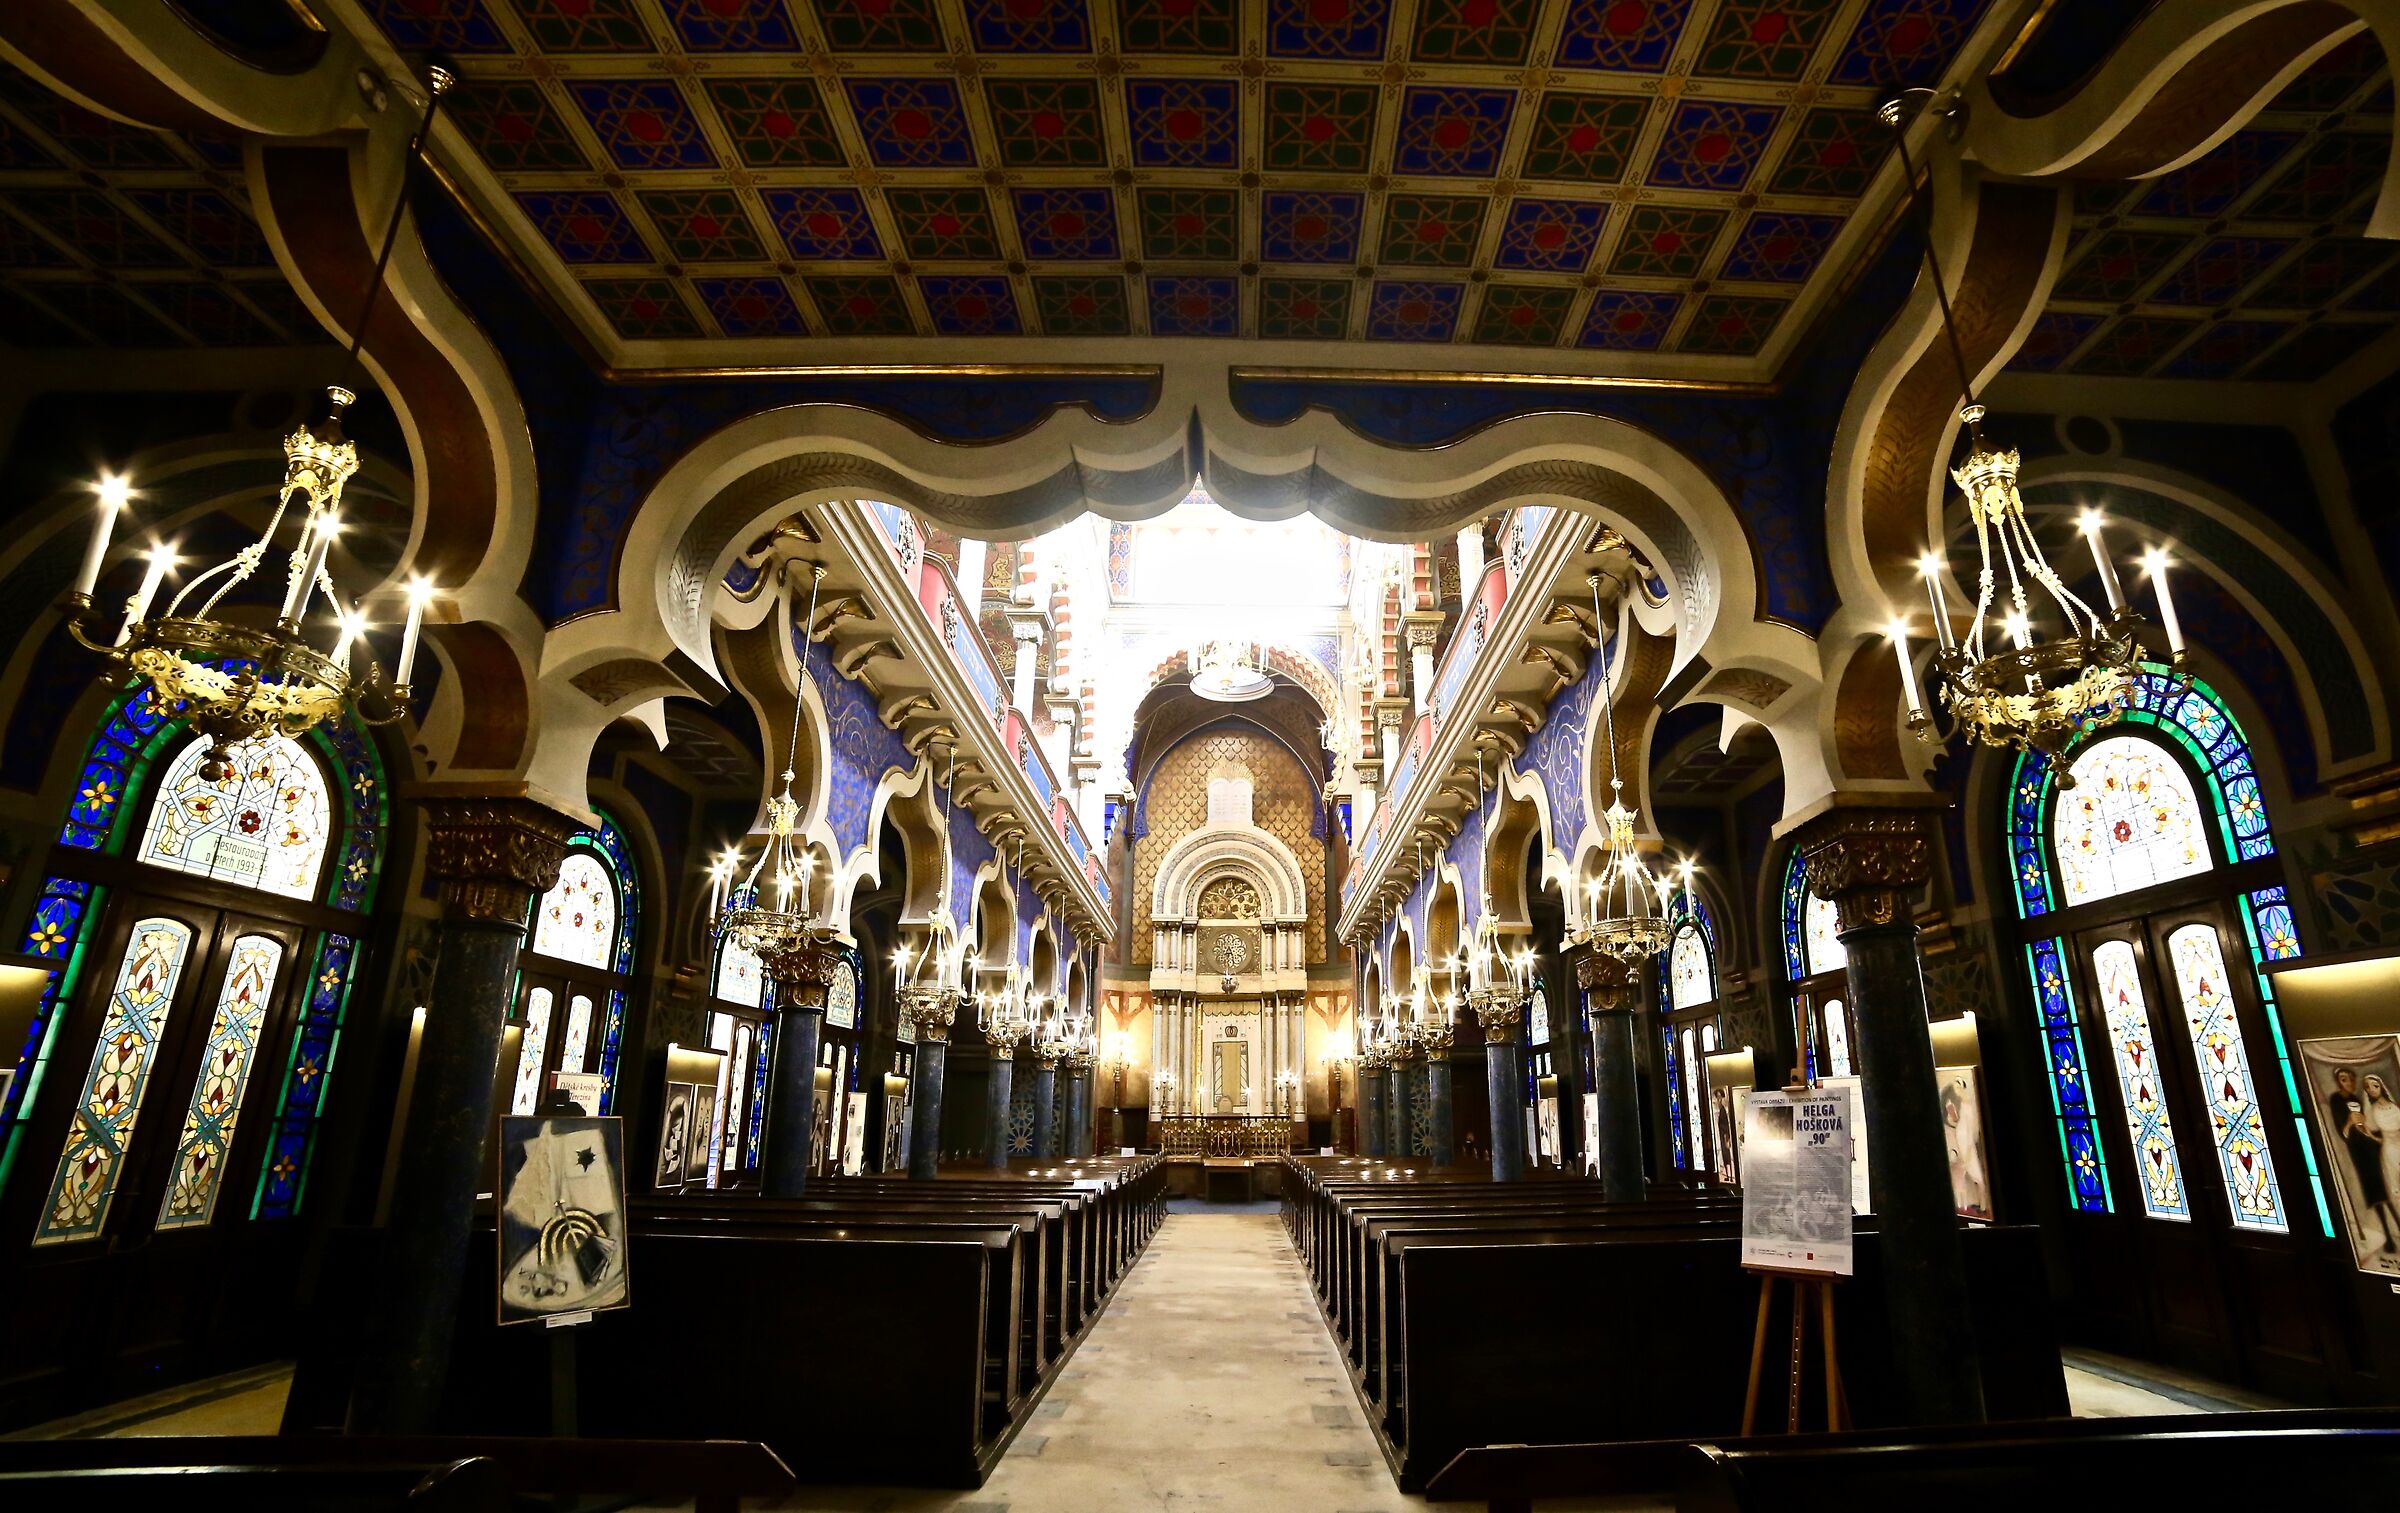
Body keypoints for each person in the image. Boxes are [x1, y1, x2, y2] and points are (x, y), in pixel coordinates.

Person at [2365, 1073, 2400, 1254]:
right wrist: (2380, 1140)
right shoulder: (2372, 1112)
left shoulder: (2394, 1106)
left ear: (2381, 1086)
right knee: (2396, 1190)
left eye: (2375, 1086)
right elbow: (2370, 1133)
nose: (2372, 1090)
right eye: (2368, 1088)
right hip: (2389, 1151)